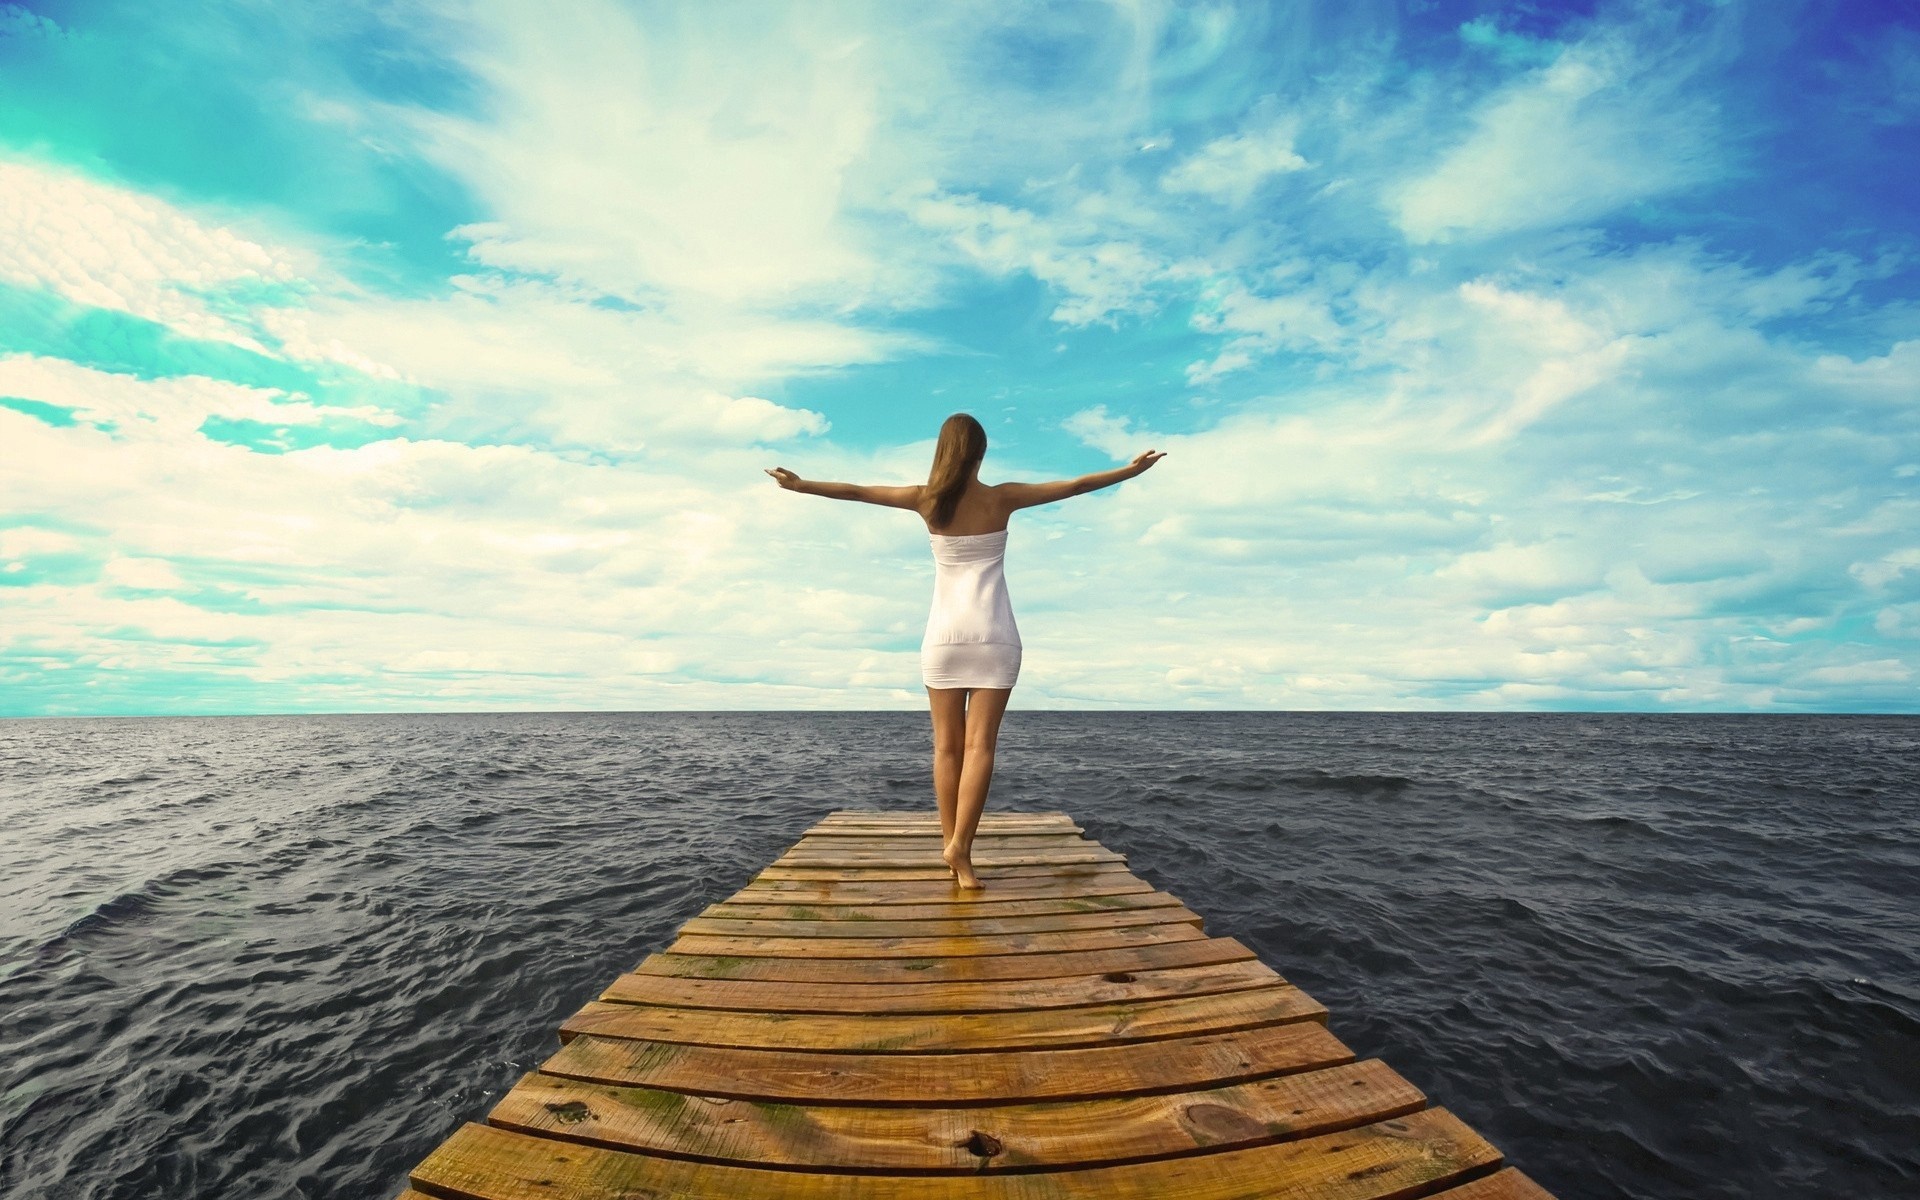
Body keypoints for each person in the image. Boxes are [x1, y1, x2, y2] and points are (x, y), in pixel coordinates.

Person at [765, 412, 1164, 889]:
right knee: (981, 747)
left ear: (942, 451)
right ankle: (962, 851)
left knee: (946, 748)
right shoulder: (1003, 497)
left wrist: (801, 485)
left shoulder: (924, 500)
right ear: (980, 453)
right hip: (995, 633)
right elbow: (1075, 485)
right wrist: (1129, 471)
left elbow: (856, 491)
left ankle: (952, 847)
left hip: (944, 637)